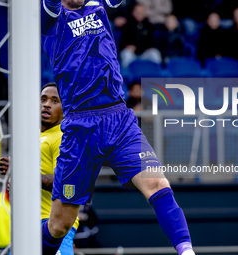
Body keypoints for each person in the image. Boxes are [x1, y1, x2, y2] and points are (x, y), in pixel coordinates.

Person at [41, 1, 195, 255]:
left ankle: (187, 251)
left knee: (157, 182)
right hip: (80, 125)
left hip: (118, 117)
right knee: (60, 224)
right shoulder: (52, 16)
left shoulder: (98, 5)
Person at [0, 83, 79, 255]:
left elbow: (65, 183)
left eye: (55, 101)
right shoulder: (34, 135)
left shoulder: (62, 139)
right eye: (43, 99)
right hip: (27, 224)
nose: (47, 104)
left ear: (65, 109)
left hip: (52, 224)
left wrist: (20, 173)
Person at [119, 3, 162, 68]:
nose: (139, 13)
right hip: (132, 53)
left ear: (144, 12)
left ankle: (156, 75)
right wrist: (127, 47)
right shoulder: (126, 26)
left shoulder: (150, 26)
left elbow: (151, 43)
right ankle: (126, 76)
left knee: (155, 53)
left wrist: (139, 47)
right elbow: (122, 43)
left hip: (145, 53)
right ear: (133, 12)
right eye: (137, 11)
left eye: (141, 11)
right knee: (126, 54)